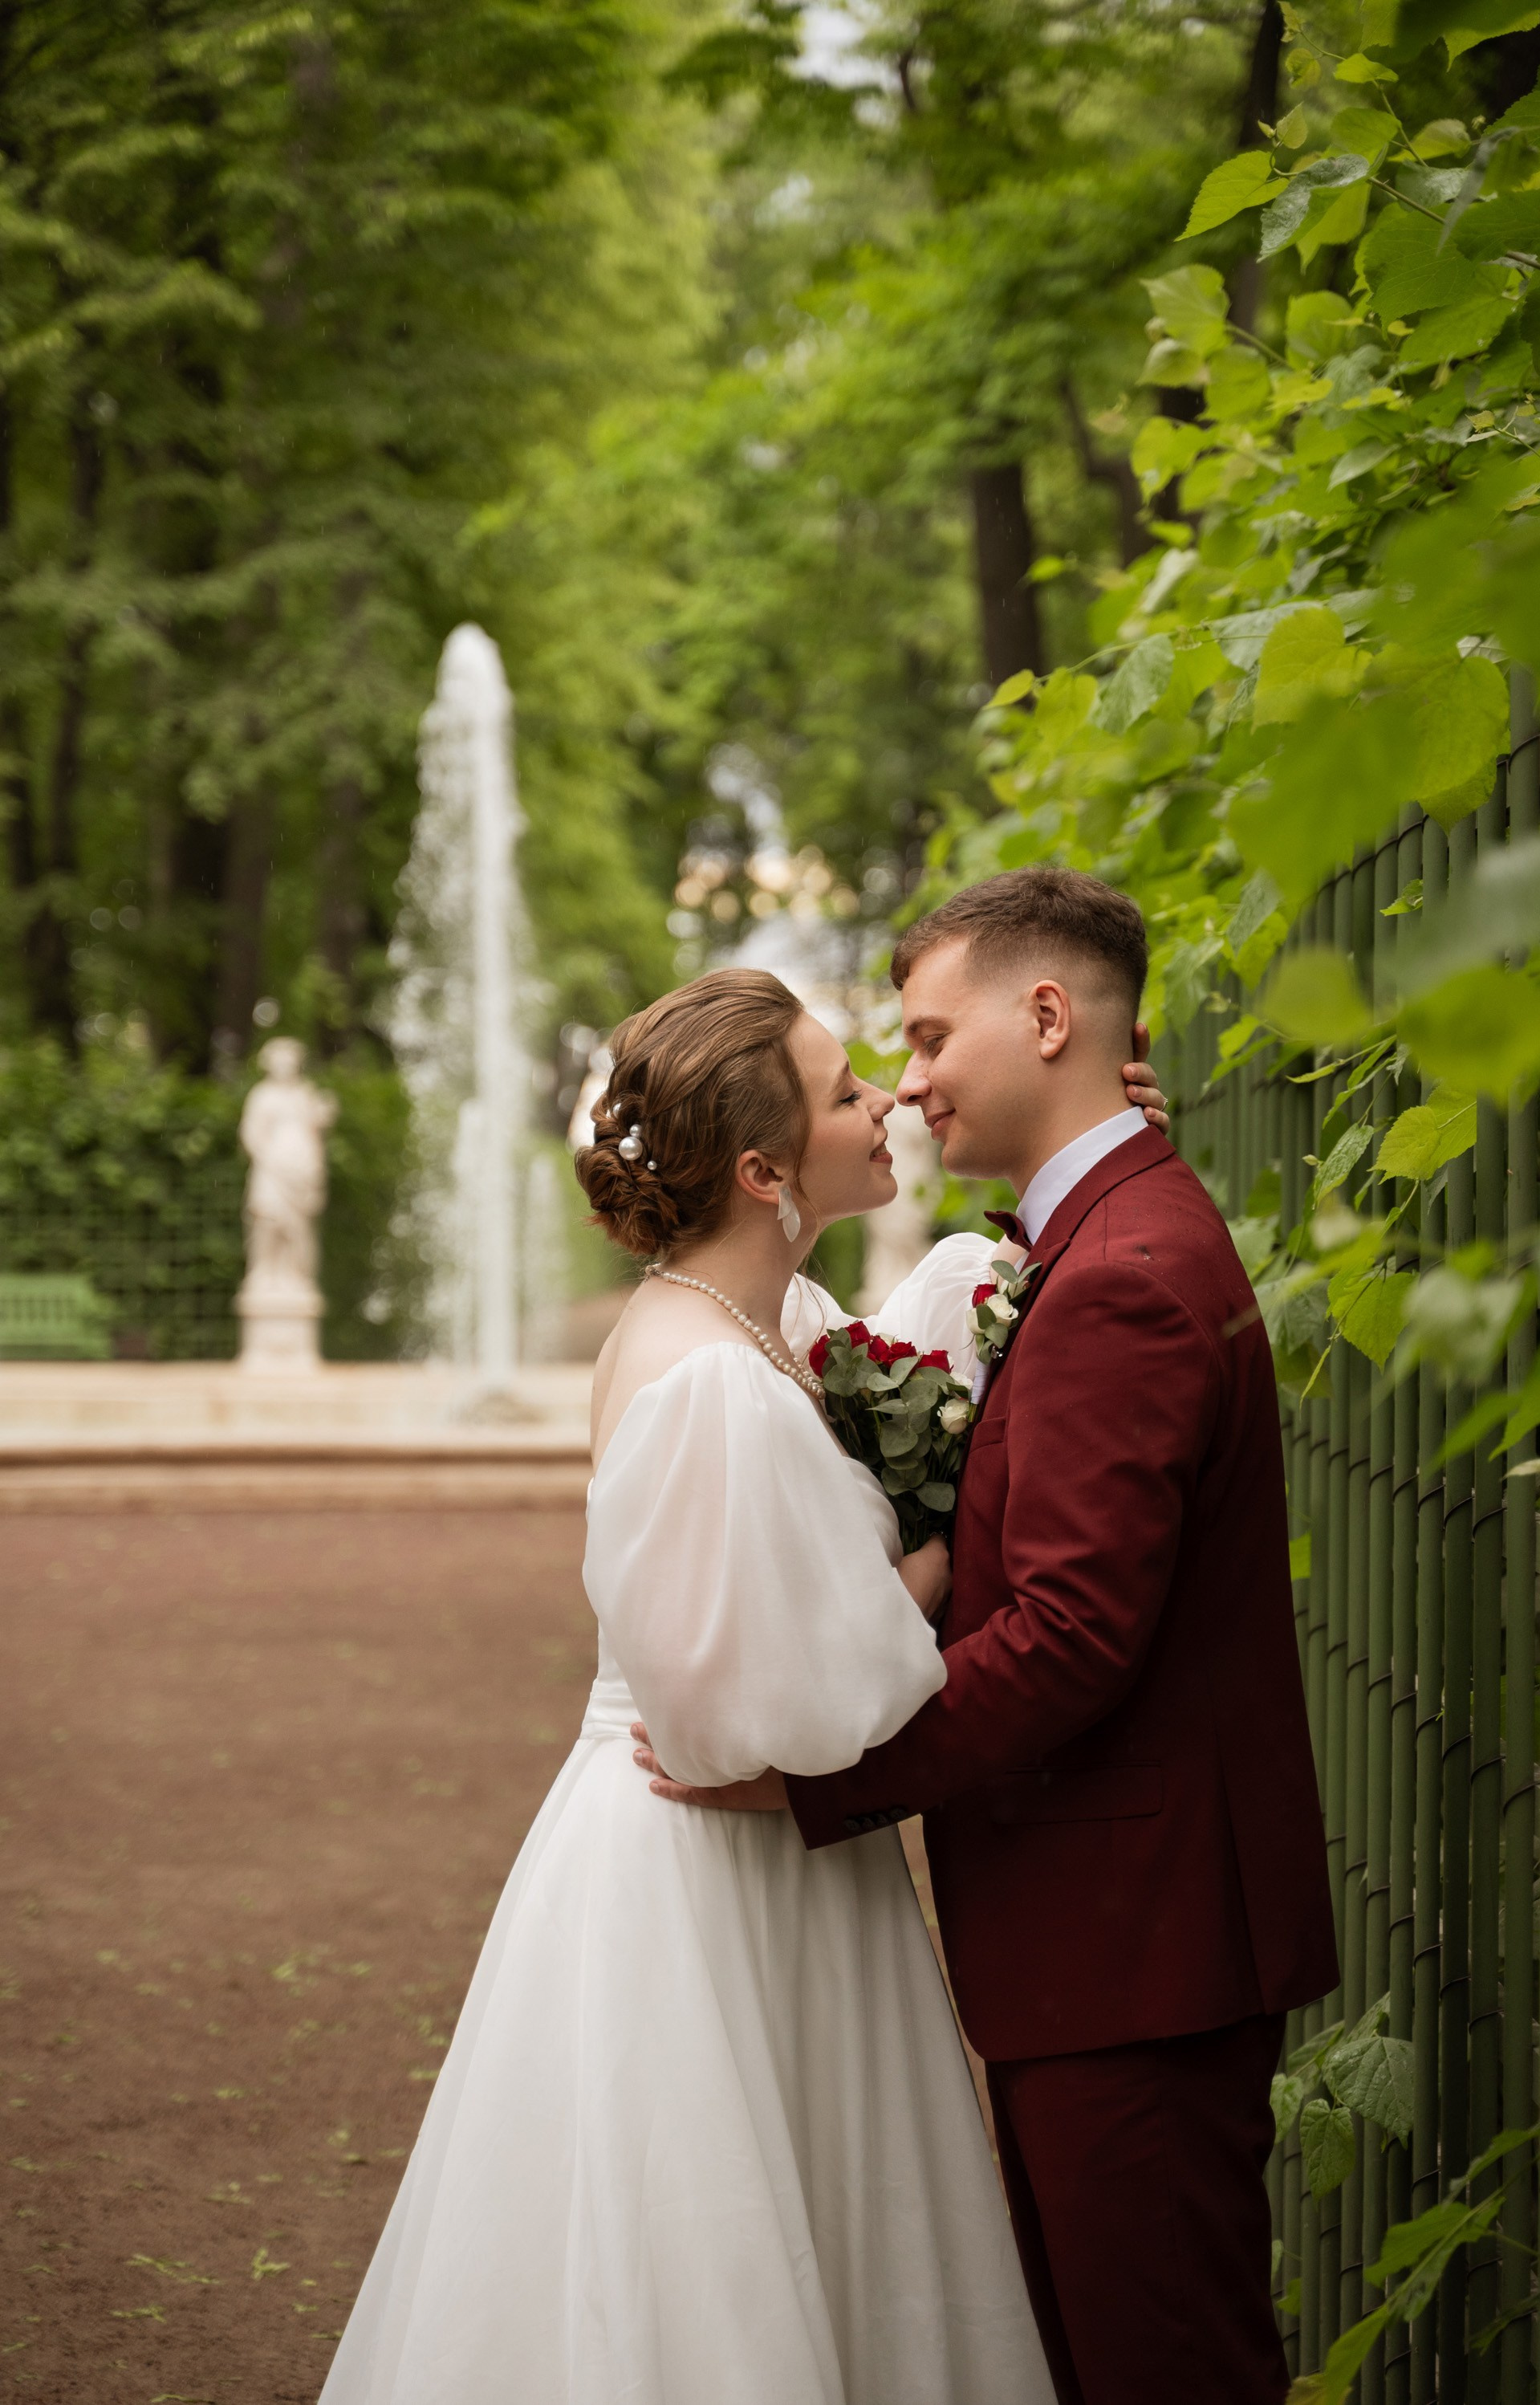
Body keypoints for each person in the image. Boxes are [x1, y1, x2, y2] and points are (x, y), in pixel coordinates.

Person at [319, 962, 1167, 2405]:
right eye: (848, 1092)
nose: (889, 1096)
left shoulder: (776, 1326)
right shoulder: (705, 1379)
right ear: (768, 1167)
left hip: (782, 1850)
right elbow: (788, 1701)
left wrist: (1080, 1153)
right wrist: (960, 1557)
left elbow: (915, 1382)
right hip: (710, 1860)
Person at [636, 870, 1339, 2405]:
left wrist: (819, 1785)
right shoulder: (1102, 1236)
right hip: (1117, 1938)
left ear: (1047, 1017)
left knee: (1164, 2366)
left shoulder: (1126, 1273)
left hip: (1135, 1946)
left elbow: (1075, 1637)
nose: (914, 1082)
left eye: (933, 1037)